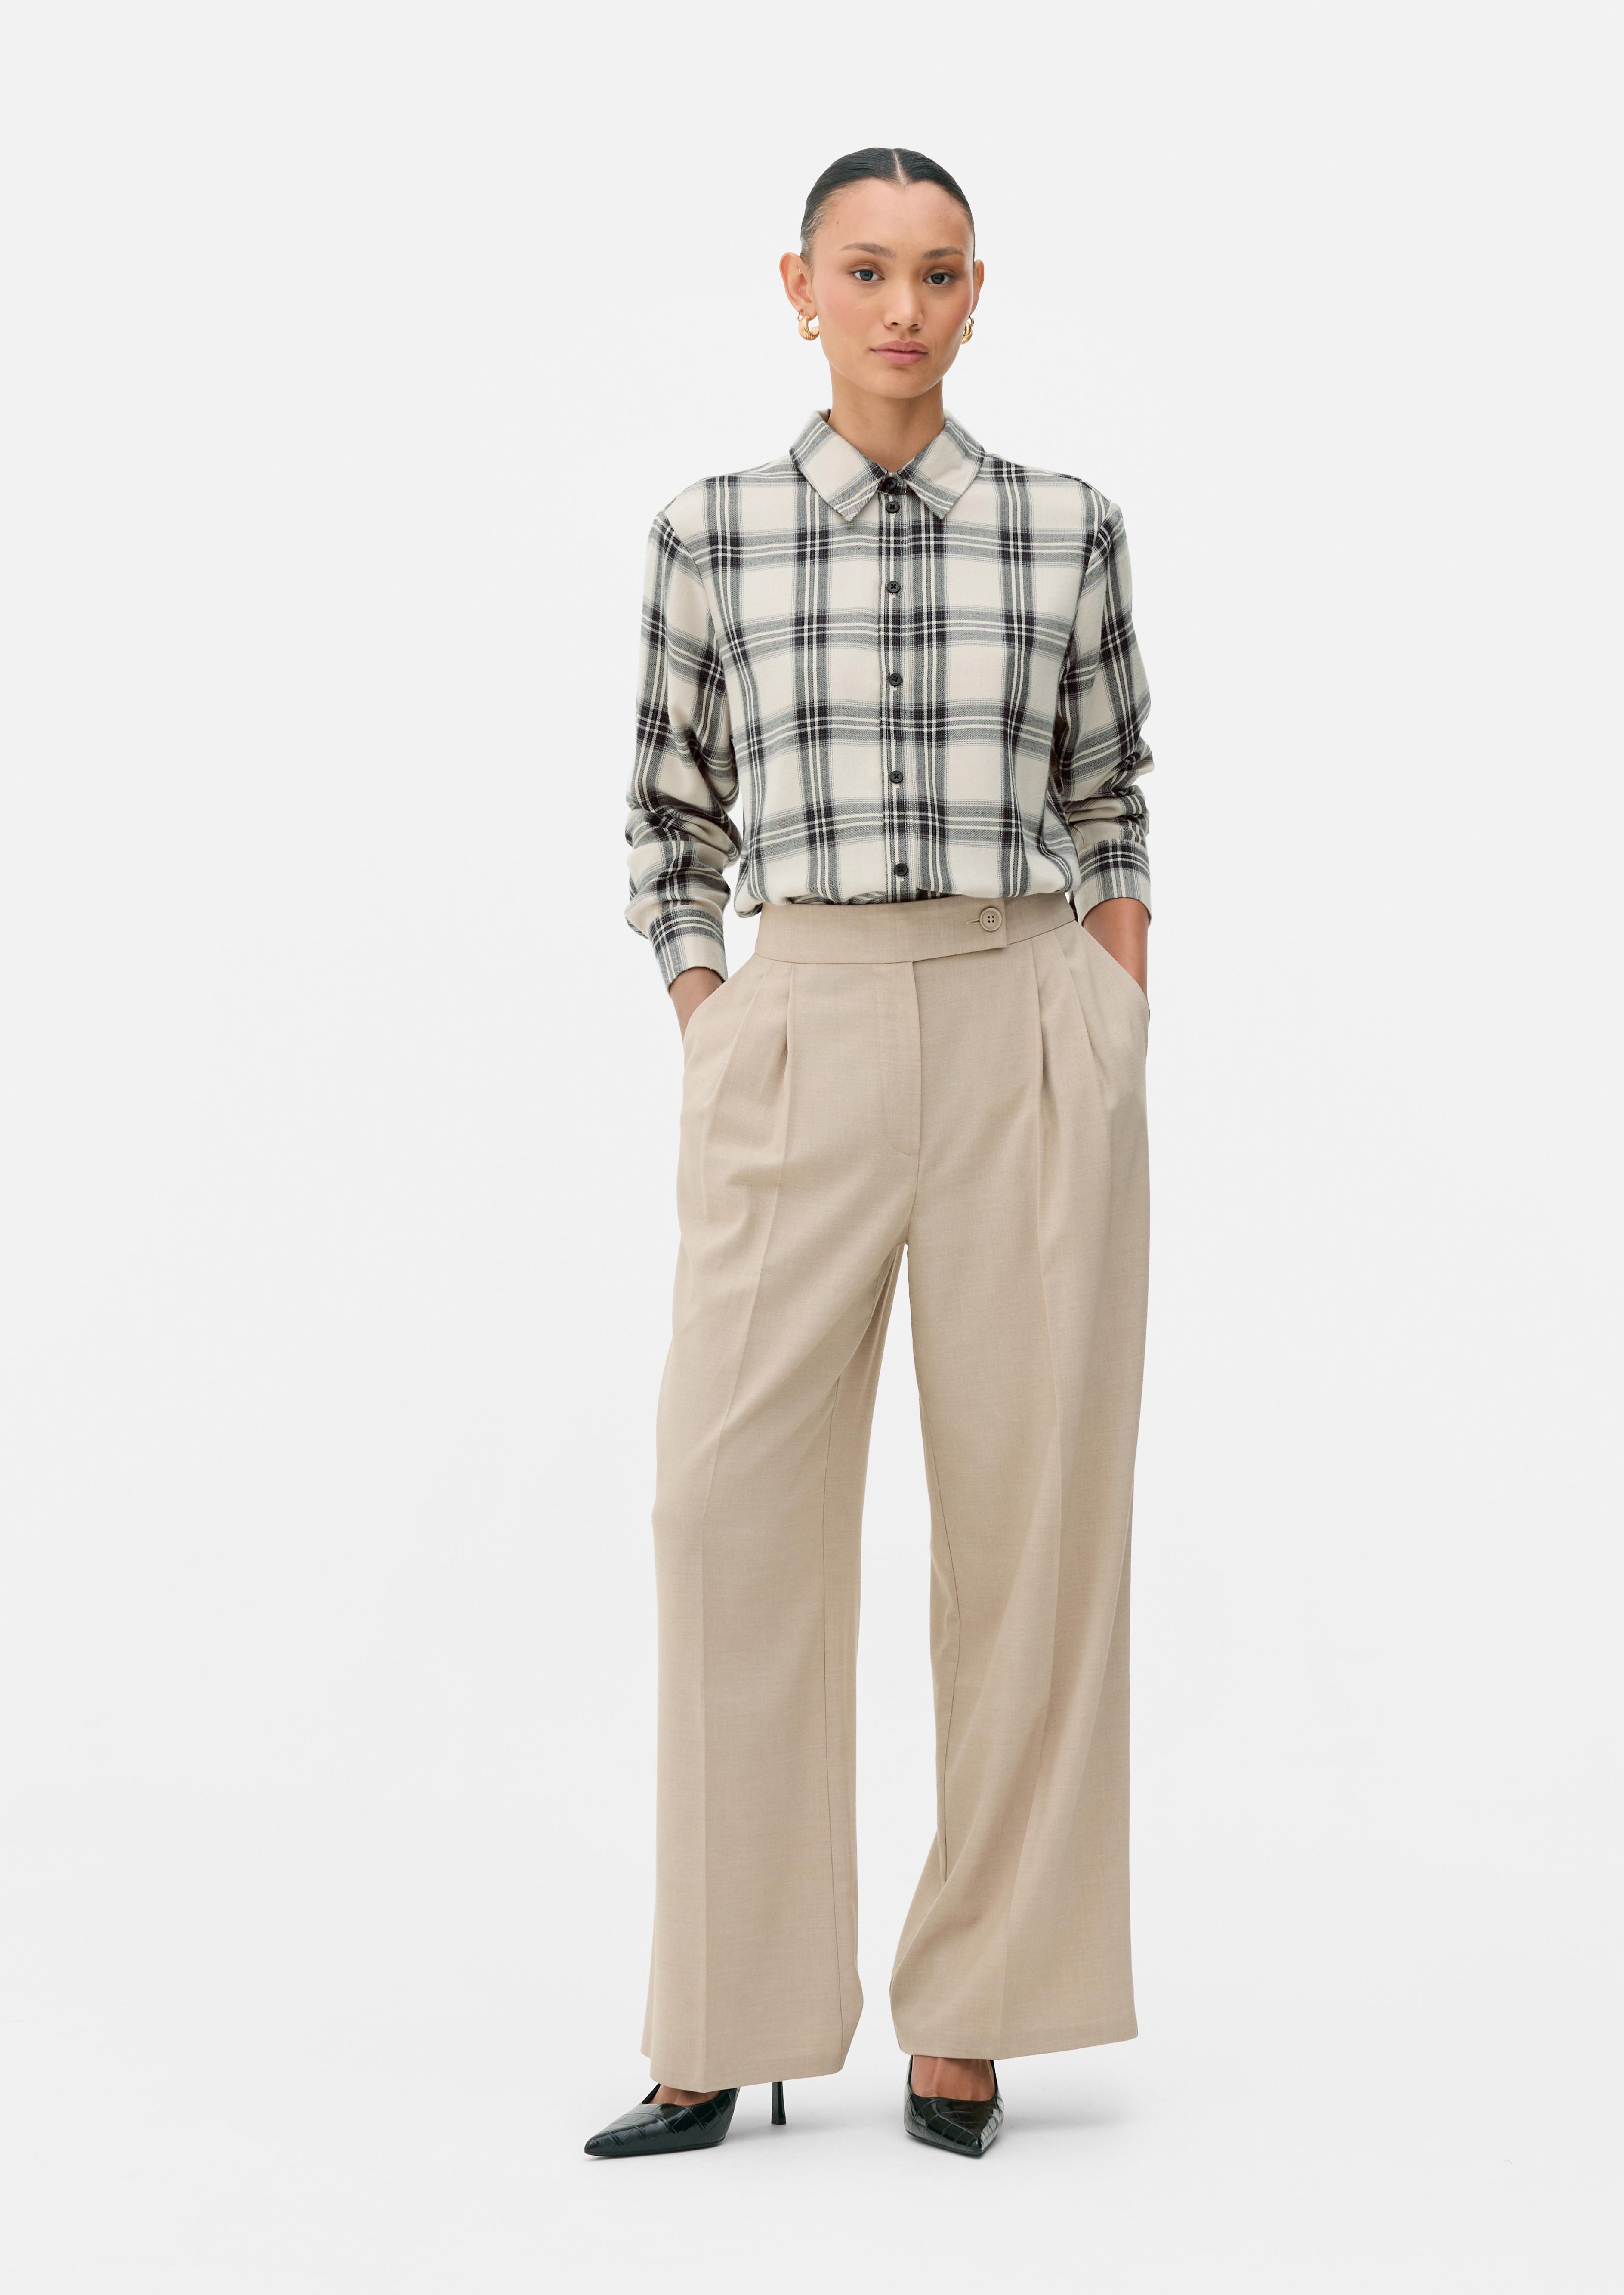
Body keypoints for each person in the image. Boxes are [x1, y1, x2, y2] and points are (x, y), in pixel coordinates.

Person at [586, 146, 1153, 2162]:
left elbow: (1110, 789)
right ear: (798, 286)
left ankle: (973, 2010)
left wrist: (1113, 1009)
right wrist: (710, 1008)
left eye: (937, 273)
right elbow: (668, 813)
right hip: (799, 1017)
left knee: (1030, 1530)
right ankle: (721, 2016)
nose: (901, 308)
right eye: (864, 271)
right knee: (719, 1506)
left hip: (1023, 1014)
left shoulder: (1063, 525)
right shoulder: (713, 530)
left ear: (977, 290)